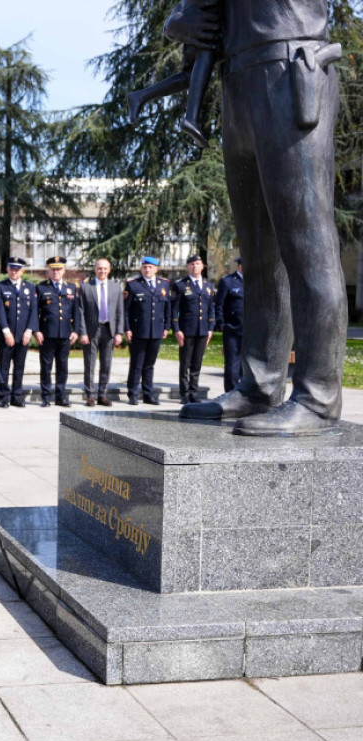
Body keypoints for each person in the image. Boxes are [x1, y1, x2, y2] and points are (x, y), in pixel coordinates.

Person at [169, 1, 346, 436]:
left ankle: (318, 396)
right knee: (259, 256)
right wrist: (181, 20)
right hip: (239, 79)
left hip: (292, 65)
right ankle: (260, 384)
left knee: (308, 244)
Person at [127, 0, 218, 147]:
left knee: (190, 75)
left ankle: (139, 96)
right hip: (200, 14)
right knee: (206, 50)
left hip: (195, 13)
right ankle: (191, 118)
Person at [76, 258, 124, 407]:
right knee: (89, 364)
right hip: (91, 331)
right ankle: (90, 395)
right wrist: (82, 332)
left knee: (106, 364)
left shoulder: (116, 287)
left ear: (109, 270)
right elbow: (80, 311)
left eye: (105, 268)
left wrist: (119, 332)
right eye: (99, 268)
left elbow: (119, 311)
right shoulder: (85, 287)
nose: (102, 271)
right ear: (95, 269)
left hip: (109, 331)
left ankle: (102, 394)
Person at [124, 256, 171, 405]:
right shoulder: (133, 285)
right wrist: (127, 329)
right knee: (137, 363)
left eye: (151, 267)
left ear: (156, 269)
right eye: (145, 267)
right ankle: (132, 393)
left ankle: (148, 394)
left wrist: (166, 327)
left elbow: (167, 309)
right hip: (139, 331)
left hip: (156, 330)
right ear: (141, 269)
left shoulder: (164, 285)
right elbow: (126, 310)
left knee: (150, 364)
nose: (147, 269)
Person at [34, 257, 79, 408]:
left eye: (59, 269)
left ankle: (60, 396)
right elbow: (35, 312)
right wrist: (36, 331)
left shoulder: (71, 288)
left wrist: (76, 331)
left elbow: (75, 312)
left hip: (65, 334)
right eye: (53, 269)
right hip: (47, 334)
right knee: (46, 367)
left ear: (64, 270)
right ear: (49, 271)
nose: (56, 272)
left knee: (62, 366)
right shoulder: (41, 288)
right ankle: (46, 396)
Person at [0, 257, 37, 408]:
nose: (14, 271)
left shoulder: (30, 288)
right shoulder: (0, 286)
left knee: (19, 368)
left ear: (22, 271)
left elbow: (33, 311)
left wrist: (29, 331)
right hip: (7, 336)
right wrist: (6, 332)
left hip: (23, 335)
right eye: (11, 268)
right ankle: (4, 397)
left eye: (17, 269)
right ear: (7, 269)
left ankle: (17, 396)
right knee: (4, 367)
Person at [171, 254, 215, 404]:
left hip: (202, 331)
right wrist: (176, 329)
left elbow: (211, 308)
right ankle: (184, 393)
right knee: (185, 363)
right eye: (192, 264)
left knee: (197, 363)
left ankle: (193, 393)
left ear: (202, 266)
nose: (195, 266)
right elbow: (174, 309)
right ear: (188, 267)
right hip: (187, 330)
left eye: (197, 263)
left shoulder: (208, 285)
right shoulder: (181, 285)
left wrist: (211, 328)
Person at [213, 258, 244, 392]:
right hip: (233, 328)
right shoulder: (228, 281)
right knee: (232, 364)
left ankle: (245, 395)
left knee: (248, 366)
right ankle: (230, 393)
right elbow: (219, 305)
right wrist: (222, 324)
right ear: (240, 266)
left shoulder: (257, 282)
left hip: (252, 330)